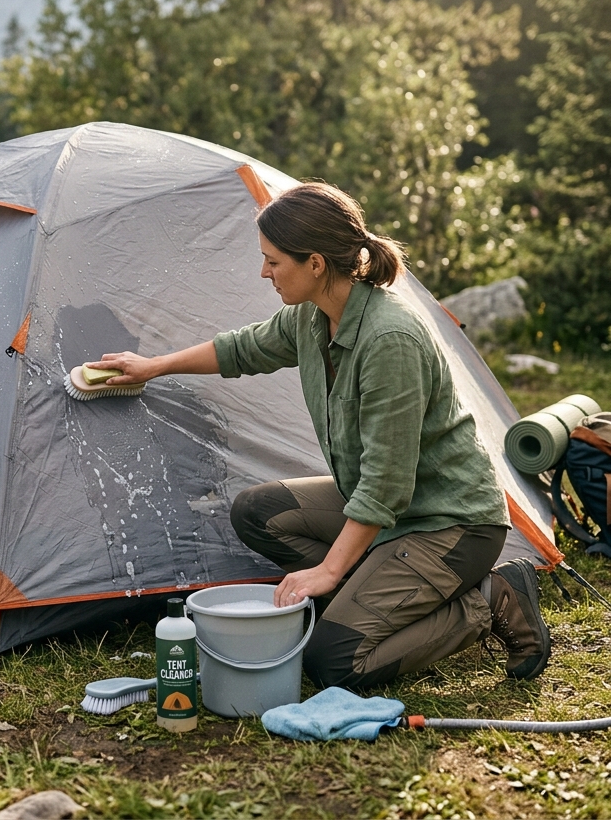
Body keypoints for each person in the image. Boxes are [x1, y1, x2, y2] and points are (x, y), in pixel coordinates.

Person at [88, 182, 550, 689]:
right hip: (388, 514)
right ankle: (377, 596)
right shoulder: (314, 317)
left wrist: (328, 572)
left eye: (273, 261)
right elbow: (243, 350)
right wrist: (153, 366)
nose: (264, 272)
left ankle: (490, 599)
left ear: (314, 264)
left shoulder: (390, 340)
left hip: (450, 523)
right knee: (257, 513)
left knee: (333, 661)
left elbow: (386, 486)